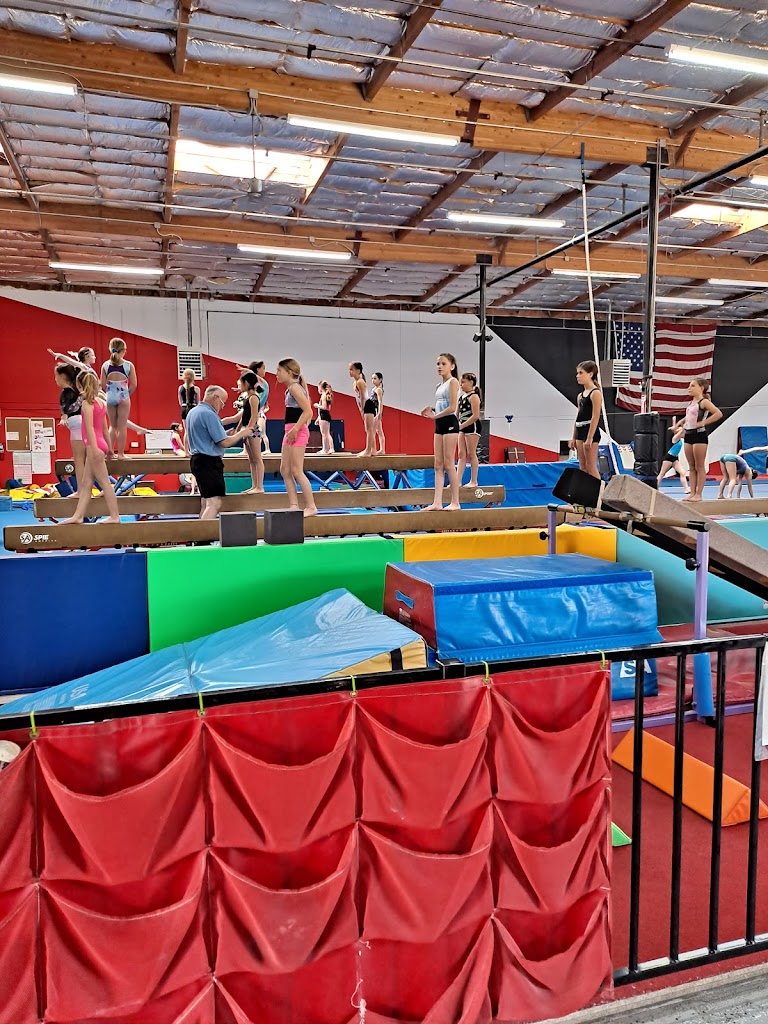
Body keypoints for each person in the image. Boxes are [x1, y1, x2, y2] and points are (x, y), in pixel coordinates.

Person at [61, 371, 120, 524]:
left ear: (79, 385)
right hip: (101, 444)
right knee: (87, 483)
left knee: (105, 482)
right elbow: (105, 429)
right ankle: (78, 516)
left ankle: (115, 516)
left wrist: (93, 449)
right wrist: (110, 449)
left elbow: (89, 428)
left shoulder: (87, 404)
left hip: (94, 446)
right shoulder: (101, 403)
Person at [185, 386, 251, 519]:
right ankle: (204, 532)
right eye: (223, 403)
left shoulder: (193, 412)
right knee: (214, 502)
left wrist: (225, 434)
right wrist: (242, 433)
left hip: (197, 460)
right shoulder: (209, 414)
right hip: (208, 462)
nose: (222, 406)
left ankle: (201, 531)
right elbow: (224, 443)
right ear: (215, 398)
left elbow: (205, 436)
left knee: (206, 502)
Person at [277, 358, 318, 517]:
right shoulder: (290, 389)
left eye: (279, 371)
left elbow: (308, 412)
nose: (276, 374)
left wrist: (295, 429)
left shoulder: (295, 388)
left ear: (289, 372)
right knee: (285, 470)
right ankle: (294, 505)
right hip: (290, 431)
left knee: (296, 470)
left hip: (297, 431)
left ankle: (311, 506)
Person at [420, 352, 461, 511]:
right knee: (438, 464)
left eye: (443, 364)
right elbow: (441, 405)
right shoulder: (439, 386)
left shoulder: (453, 382)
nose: (440, 366)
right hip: (439, 424)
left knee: (449, 463)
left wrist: (435, 415)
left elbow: (452, 407)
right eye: (438, 364)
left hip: (450, 422)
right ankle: (437, 502)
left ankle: (455, 502)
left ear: (452, 366)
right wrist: (431, 409)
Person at [682, 378, 722, 502]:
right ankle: (692, 493)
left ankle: (699, 494)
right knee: (691, 466)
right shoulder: (691, 402)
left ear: (701, 388)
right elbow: (688, 418)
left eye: (692, 386)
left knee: (699, 466)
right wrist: (679, 425)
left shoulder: (704, 402)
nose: (689, 388)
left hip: (699, 435)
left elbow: (718, 413)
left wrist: (703, 423)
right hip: (688, 435)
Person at [100, 337, 137, 458]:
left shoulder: (105, 365)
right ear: (124, 350)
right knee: (122, 427)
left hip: (110, 396)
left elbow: (102, 383)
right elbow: (134, 385)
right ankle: (120, 454)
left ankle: (110, 453)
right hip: (123, 395)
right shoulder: (128, 365)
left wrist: (110, 393)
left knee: (112, 426)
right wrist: (126, 395)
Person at [568, 360, 603, 479]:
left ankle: (599, 489)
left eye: (581, 373)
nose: (577, 376)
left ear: (590, 374)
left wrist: (589, 438)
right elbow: (578, 417)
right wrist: (573, 437)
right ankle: (585, 489)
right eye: (577, 373)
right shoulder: (580, 396)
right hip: (580, 431)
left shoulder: (595, 393)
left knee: (591, 466)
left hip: (590, 431)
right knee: (583, 467)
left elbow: (595, 416)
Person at [55, 363, 85, 493]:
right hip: (83, 423)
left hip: (76, 424)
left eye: (56, 376)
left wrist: (63, 418)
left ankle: (81, 491)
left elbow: (65, 408)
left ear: (62, 376)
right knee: (85, 459)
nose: (55, 379)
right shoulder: (78, 389)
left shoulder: (66, 392)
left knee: (79, 460)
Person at [237, 371, 265, 493]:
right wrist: (239, 429)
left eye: (241, 383)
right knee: (252, 460)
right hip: (247, 429)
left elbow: (254, 416)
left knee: (257, 459)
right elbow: (244, 416)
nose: (239, 386)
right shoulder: (247, 397)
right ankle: (254, 485)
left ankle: (260, 487)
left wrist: (248, 430)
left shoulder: (254, 397)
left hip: (253, 430)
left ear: (247, 383)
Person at [457, 371, 482, 489]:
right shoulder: (461, 398)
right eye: (460, 383)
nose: (461, 385)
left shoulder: (474, 397)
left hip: (473, 426)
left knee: (471, 454)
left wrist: (462, 426)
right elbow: (456, 414)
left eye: (463, 382)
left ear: (471, 383)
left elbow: (476, 415)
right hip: (462, 426)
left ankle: (474, 481)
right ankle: (457, 481)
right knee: (461, 454)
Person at [349, 361, 377, 457]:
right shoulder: (355, 383)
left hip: (368, 404)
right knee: (368, 429)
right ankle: (373, 450)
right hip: (364, 405)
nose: (350, 372)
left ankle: (368, 451)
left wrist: (362, 409)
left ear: (358, 371)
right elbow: (357, 398)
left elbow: (363, 397)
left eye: (351, 369)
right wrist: (360, 408)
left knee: (369, 429)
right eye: (349, 370)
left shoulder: (360, 382)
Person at [657, 418, 689, 493]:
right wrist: (683, 425)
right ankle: (656, 489)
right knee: (662, 474)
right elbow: (682, 430)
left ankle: (686, 489)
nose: (683, 434)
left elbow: (682, 431)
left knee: (682, 473)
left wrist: (677, 426)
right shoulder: (675, 438)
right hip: (669, 457)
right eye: (681, 433)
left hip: (674, 458)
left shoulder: (680, 439)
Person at [170, 421, 196, 493]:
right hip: (177, 450)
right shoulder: (176, 435)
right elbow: (181, 445)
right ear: (176, 428)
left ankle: (188, 475)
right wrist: (187, 451)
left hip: (176, 450)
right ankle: (186, 475)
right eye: (180, 427)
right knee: (188, 457)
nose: (182, 428)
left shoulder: (173, 434)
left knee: (188, 458)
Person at [315, 380, 335, 455]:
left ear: (320, 388)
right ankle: (329, 448)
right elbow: (327, 408)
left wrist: (317, 405)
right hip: (325, 416)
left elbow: (324, 407)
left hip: (324, 416)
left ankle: (326, 449)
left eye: (318, 388)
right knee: (326, 433)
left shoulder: (323, 396)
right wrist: (318, 418)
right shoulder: (326, 395)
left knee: (324, 434)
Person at [372, 372, 386, 455]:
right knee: (378, 431)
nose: (373, 380)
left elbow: (380, 402)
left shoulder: (379, 390)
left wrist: (380, 413)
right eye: (372, 378)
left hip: (376, 411)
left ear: (380, 380)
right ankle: (381, 449)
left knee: (374, 431)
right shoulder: (374, 389)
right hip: (374, 411)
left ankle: (376, 449)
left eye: (375, 378)